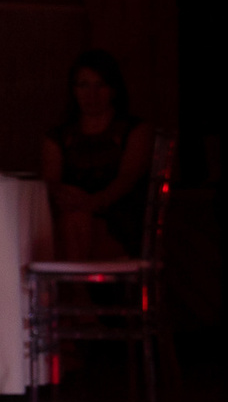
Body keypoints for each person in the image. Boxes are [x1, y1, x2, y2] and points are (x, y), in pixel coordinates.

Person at [42, 49, 157, 261]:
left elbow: (128, 178)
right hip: (71, 216)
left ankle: (77, 290)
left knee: (77, 222)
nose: (91, 94)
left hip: (120, 219)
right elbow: (50, 183)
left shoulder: (134, 130)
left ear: (113, 89)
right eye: (83, 85)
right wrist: (67, 197)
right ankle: (78, 289)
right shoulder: (58, 136)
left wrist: (94, 202)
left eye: (100, 85)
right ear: (73, 89)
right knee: (70, 222)